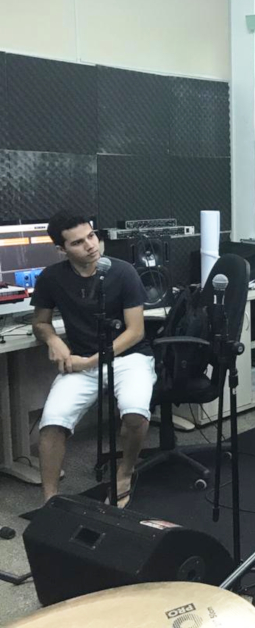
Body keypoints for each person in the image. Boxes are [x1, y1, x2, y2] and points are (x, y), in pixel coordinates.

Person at [34, 211, 155, 507]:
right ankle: (50, 501)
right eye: (78, 242)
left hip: (128, 357)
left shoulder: (123, 272)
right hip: (81, 360)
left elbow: (136, 331)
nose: (90, 245)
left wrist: (89, 362)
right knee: (51, 423)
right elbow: (40, 322)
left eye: (91, 236)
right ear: (61, 250)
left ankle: (125, 472)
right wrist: (53, 340)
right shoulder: (51, 278)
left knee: (135, 414)